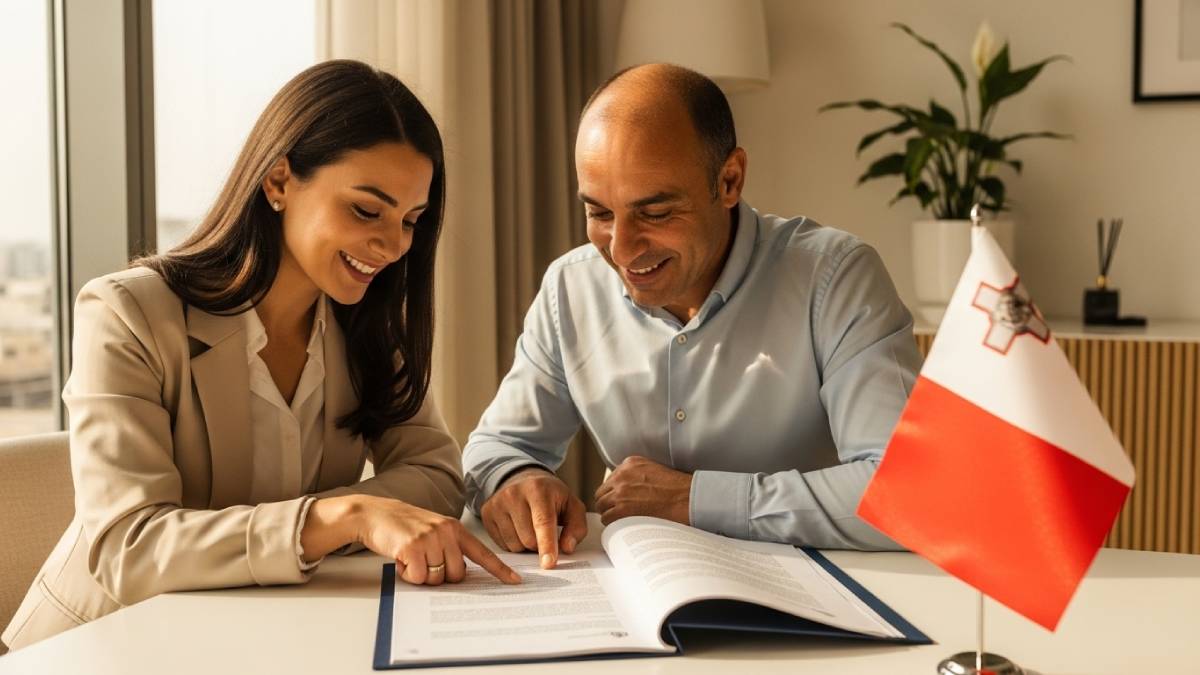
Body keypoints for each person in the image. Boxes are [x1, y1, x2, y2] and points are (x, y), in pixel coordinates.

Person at [2, 60, 518, 652]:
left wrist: (325, 525)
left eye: (411, 221)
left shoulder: (364, 322)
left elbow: (434, 475)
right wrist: (337, 520)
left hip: (265, 640)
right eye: (366, 210)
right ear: (278, 183)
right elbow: (128, 550)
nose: (395, 245)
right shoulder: (127, 314)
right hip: (99, 647)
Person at [463, 63, 922, 569]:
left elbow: (908, 495)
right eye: (598, 213)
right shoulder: (570, 288)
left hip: (828, 590)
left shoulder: (835, 279)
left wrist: (695, 499)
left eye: (655, 213)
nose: (620, 248)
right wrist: (514, 479)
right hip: (640, 594)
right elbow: (497, 447)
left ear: (729, 180)